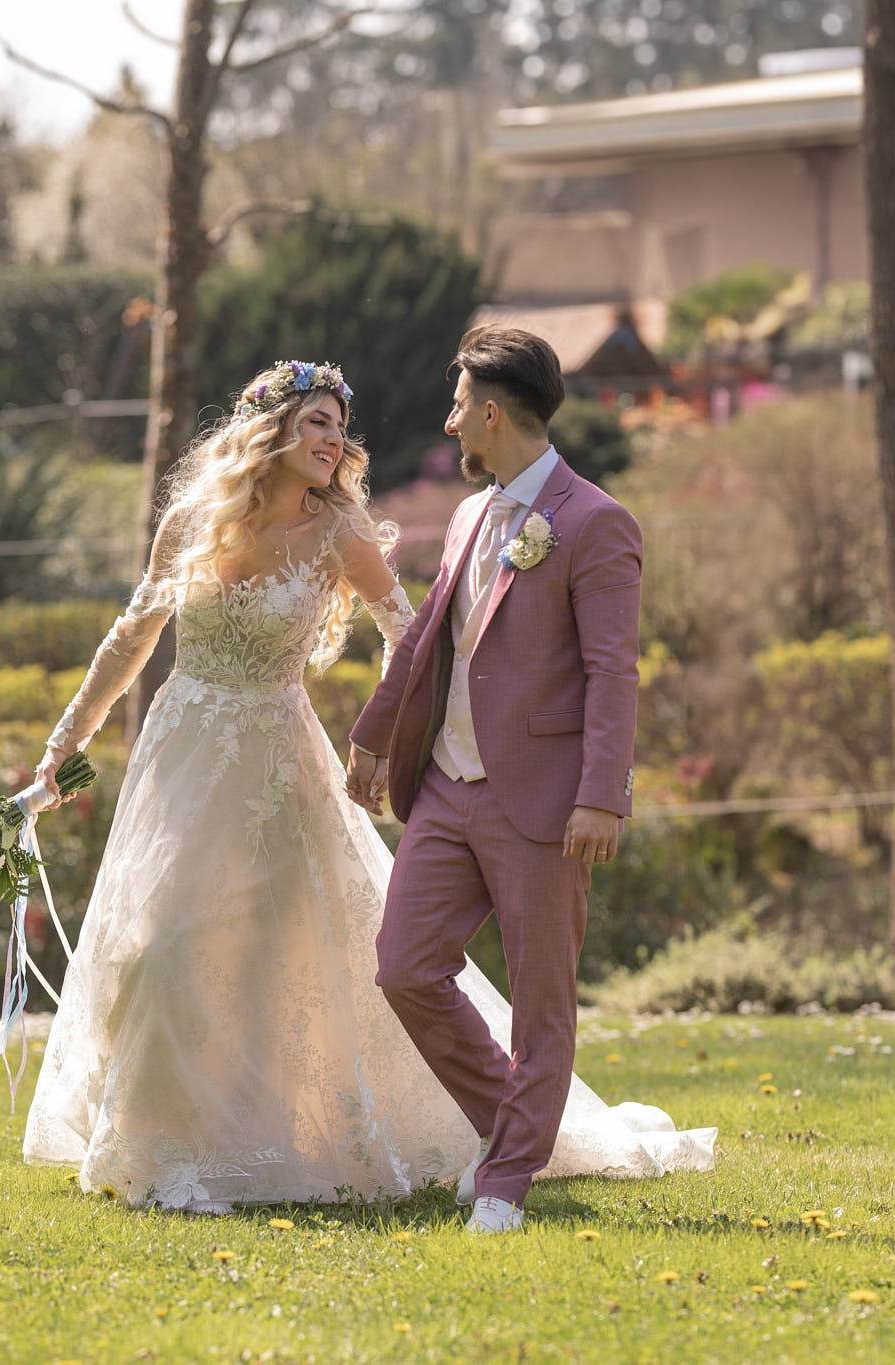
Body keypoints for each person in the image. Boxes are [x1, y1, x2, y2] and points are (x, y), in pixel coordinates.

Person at [23, 357, 712, 1215]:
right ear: (268, 429)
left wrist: (385, 738)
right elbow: (132, 635)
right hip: (181, 757)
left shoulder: (339, 529)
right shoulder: (190, 524)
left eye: (339, 426)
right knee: (161, 948)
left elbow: (413, 635)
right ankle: (166, 1148)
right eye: (317, 421)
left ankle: (304, 1147)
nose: (334, 439)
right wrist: (63, 748)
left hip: (277, 765)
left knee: (263, 959)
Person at [346, 325, 687, 1233]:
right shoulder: (468, 515)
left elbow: (616, 671)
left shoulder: (596, 522)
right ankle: (518, 1129)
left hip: (543, 800)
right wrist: (375, 734)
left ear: (492, 414)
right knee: (405, 967)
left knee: (542, 1000)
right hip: (448, 788)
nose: (449, 417)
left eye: (458, 403)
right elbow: (428, 637)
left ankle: (505, 1178)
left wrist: (601, 794)